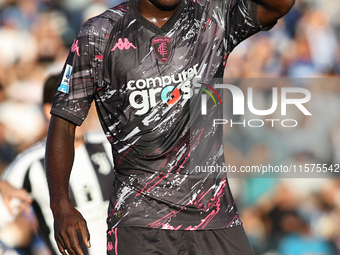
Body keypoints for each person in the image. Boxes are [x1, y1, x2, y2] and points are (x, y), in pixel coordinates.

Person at [46, 0, 295, 254]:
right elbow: (64, 120)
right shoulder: (100, 33)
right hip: (139, 217)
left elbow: (281, 5)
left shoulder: (212, 14)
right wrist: (60, 204)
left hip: (215, 215)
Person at [1, 74, 114, 255]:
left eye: (84, 103)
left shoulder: (109, 145)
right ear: (48, 111)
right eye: (73, 105)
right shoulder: (29, 164)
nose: (80, 112)